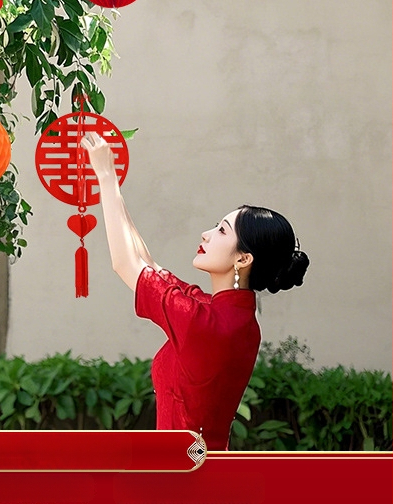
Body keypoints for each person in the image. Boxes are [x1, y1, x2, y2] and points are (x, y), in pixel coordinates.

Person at [80, 132, 310, 451]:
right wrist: (114, 185)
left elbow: (125, 264)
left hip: (184, 470)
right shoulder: (233, 319)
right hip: (204, 464)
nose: (206, 234)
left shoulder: (204, 323)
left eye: (221, 231)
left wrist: (105, 177)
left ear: (243, 258)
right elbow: (148, 264)